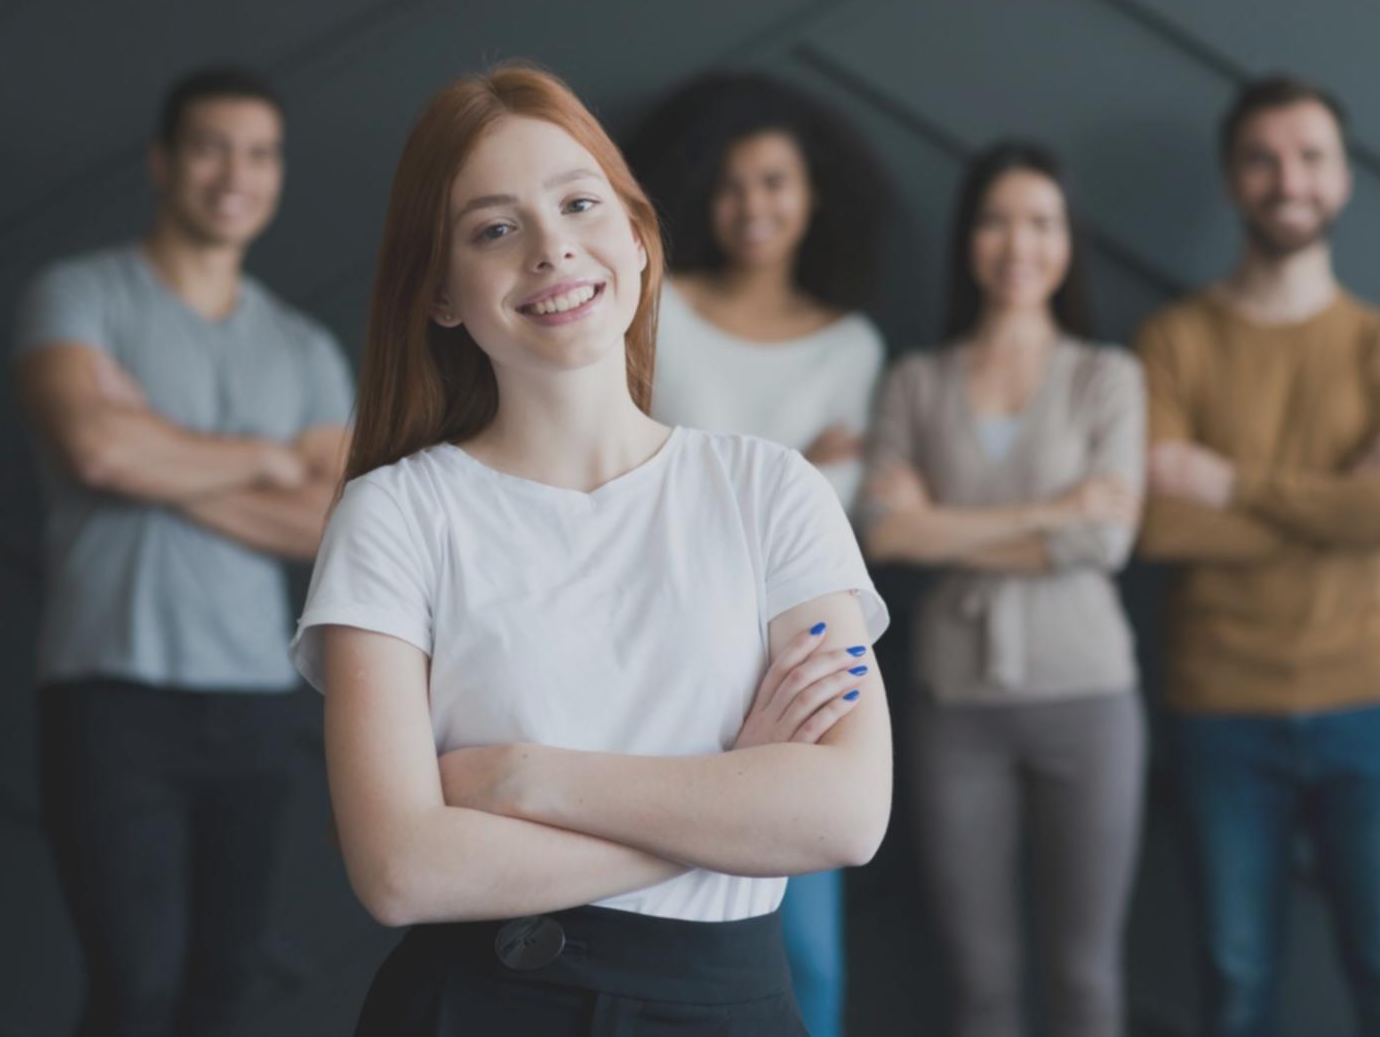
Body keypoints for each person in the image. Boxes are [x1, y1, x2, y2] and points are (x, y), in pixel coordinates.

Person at [288, 64, 893, 1035]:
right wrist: (732, 798)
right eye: (494, 227)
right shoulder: (394, 515)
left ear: (639, 237)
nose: (551, 248)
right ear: (439, 291)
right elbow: (402, 871)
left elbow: (844, 813)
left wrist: (529, 778)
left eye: (578, 203)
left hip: (728, 1005)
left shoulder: (772, 489)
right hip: (476, 1003)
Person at [12, 67, 354, 1036]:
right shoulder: (76, 294)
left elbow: (332, 527)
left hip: (254, 700)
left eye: (259, 153)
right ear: (163, 162)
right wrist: (267, 458)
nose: (234, 174)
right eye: (211, 147)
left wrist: (157, 457)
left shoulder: (302, 346)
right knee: (132, 991)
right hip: (109, 695)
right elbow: (96, 446)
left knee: (224, 994)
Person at [1135, 75, 1380, 1037]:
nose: (1289, 179)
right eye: (1264, 158)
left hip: (1373, 704)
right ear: (1234, 181)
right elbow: (1157, 527)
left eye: (1311, 156)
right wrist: (1344, 494)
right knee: (1235, 988)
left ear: (1345, 177)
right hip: (1220, 709)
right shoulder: (1174, 342)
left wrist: (1231, 485)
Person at [860, 141, 1146, 1037]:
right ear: (968, 239)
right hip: (956, 704)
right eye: (996, 220)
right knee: (980, 983)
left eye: (1041, 222)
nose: (1018, 244)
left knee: (1085, 977)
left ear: (1067, 242)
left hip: (1089, 699)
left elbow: (1106, 539)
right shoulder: (914, 380)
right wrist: (1052, 510)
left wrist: (946, 526)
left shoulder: (1109, 376)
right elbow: (882, 533)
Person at [626, 72, 890, 1034]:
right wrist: (799, 470)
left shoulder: (852, 345)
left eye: (775, 182)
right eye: (734, 184)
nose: (753, 206)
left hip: (800, 666)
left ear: (812, 196)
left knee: (806, 957)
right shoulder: (659, 306)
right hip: (656, 652)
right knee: (645, 923)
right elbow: (631, 478)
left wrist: (784, 486)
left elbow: (836, 528)